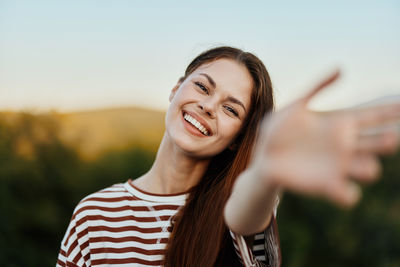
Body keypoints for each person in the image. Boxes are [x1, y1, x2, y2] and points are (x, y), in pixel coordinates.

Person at [56, 46, 400, 267]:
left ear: (238, 139)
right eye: (202, 87)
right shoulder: (94, 214)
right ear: (176, 89)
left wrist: (267, 171)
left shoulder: (242, 204)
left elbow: (246, 213)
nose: (207, 106)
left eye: (231, 109)